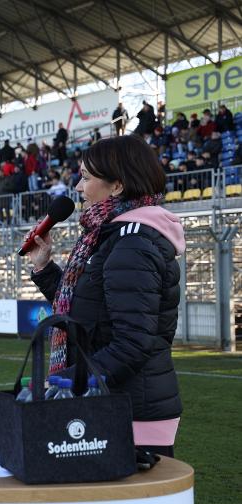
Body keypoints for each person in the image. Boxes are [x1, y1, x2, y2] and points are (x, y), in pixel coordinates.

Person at [27, 135, 184, 458]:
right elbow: (88, 314)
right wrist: (45, 269)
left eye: (86, 177)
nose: (78, 187)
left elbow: (132, 343)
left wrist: (67, 381)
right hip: (114, 407)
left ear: (117, 187)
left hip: (131, 415)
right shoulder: (111, 237)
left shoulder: (132, 243)